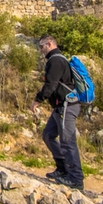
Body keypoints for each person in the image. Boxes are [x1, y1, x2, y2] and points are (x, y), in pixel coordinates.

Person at [30, 35, 83, 190]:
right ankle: (62, 169)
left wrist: (37, 100)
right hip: (60, 107)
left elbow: (51, 84)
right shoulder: (56, 60)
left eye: (41, 46)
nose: (40, 50)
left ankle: (76, 179)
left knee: (68, 141)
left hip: (67, 106)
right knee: (48, 135)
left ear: (50, 43)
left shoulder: (56, 60)